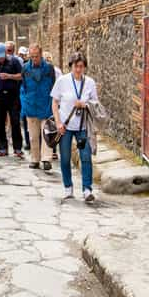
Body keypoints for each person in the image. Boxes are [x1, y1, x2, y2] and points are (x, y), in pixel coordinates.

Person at [51, 52, 99, 202]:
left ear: (85, 67)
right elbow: (54, 102)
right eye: (75, 66)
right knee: (65, 158)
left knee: (86, 157)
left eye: (81, 66)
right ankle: (68, 187)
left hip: (83, 126)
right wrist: (58, 123)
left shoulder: (90, 82)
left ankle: (87, 189)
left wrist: (84, 104)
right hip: (65, 126)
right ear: (70, 66)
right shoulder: (62, 81)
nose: (78, 69)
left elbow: (96, 104)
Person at [20, 43, 55, 170]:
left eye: (36, 56)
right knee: (33, 136)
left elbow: (53, 86)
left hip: (45, 105)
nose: (34, 59)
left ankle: (46, 159)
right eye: (32, 56)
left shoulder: (49, 69)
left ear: (41, 55)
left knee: (47, 134)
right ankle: (35, 159)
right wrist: (25, 103)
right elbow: (23, 86)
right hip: (31, 105)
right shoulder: (25, 68)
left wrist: (53, 104)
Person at [0, 42, 24, 158]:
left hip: (13, 95)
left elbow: (22, 75)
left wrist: (9, 76)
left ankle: (17, 148)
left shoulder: (14, 61)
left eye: (2, 56)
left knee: (15, 122)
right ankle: (2, 147)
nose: (0, 59)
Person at [44, 51, 62, 160]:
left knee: (51, 125)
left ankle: (52, 148)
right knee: (51, 125)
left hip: (53, 100)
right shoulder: (57, 71)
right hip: (51, 100)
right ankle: (52, 150)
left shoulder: (56, 71)